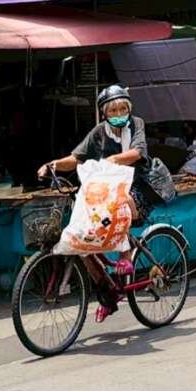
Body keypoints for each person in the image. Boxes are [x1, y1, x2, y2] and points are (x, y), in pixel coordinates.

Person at [39, 84, 153, 323]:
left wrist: (111, 160)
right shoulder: (99, 132)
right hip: (107, 187)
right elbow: (76, 158)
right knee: (82, 245)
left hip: (138, 186)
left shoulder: (137, 124)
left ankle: (125, 256)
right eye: (113, 110)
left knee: (118, 202)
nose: (119, 114)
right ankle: (108, 293)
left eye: (123, 109)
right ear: (104, 113)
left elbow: (137, 153)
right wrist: (54, 165)